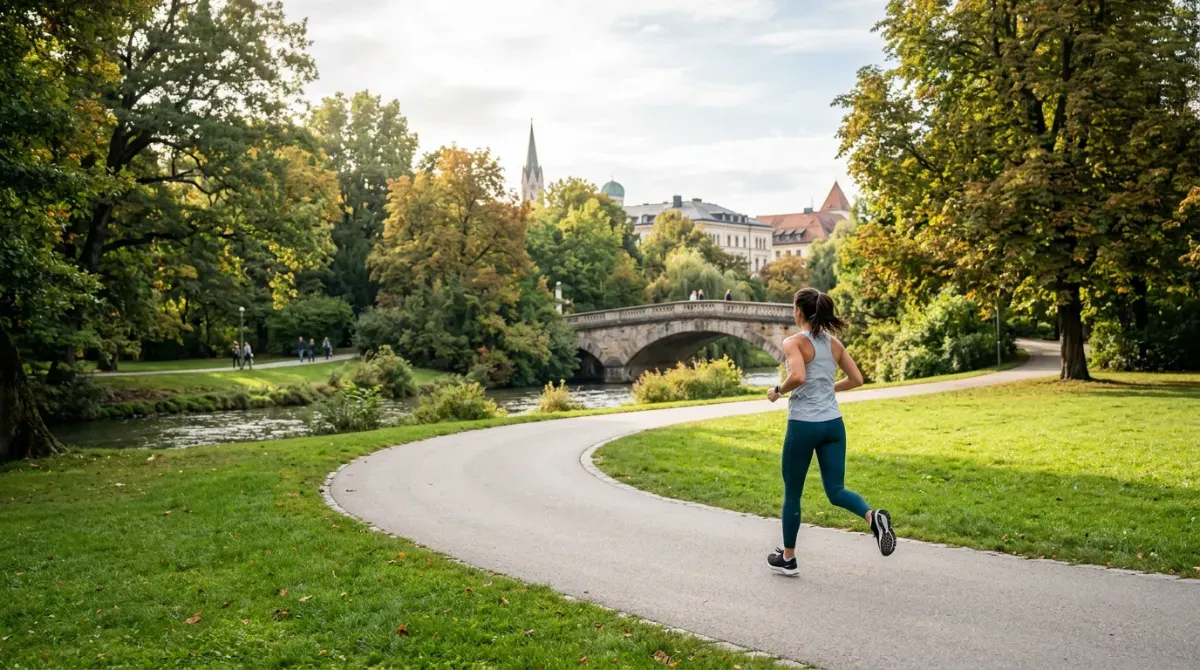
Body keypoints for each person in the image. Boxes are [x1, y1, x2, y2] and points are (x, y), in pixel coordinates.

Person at [765, 287, 895, 576]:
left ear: (799, 311)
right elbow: (857, 379)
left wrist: (777, 391)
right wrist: (827, 388)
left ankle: (788, 558)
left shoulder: (793, 343)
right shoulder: (833, 343)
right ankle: (872, 517)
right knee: (836, 490)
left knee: (793, 492)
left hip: (803, 425)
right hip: (833, 424)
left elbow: (797, 376)